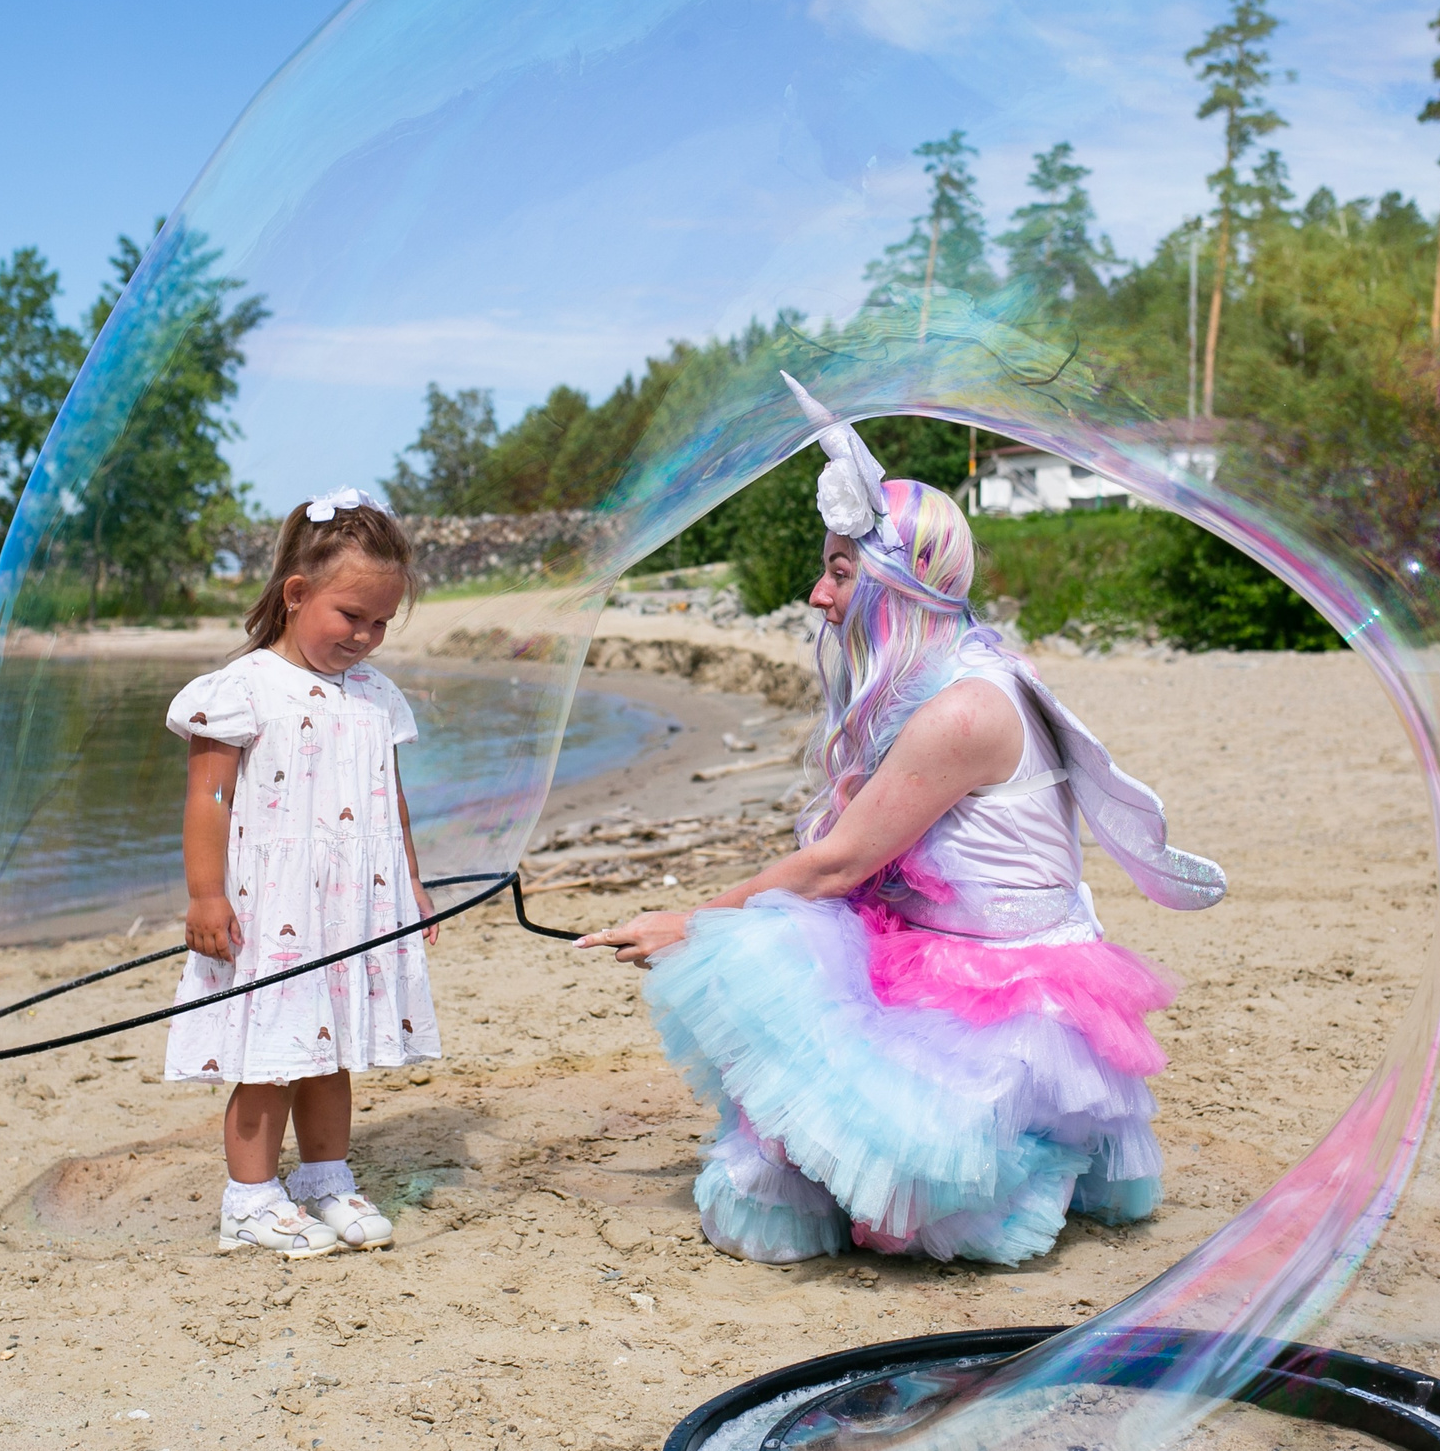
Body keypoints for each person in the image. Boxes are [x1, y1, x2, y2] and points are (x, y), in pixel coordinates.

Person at [581, 378, 1224, 1265]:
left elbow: (837, 866)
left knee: (893, 1209)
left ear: (897, 583)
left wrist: (691, 922)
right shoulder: (944, 677)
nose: (817, 594)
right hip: (932, 949)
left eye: (841, 571)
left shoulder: (964, 711)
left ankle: (1028, 1160)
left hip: (1006, 987)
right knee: (811, 1135)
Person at [165, 487, 439, 1258]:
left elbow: (394, 802)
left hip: (352, 905)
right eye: (352, 616)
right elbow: (208, 798)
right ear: (296, 594)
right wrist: (206, 894)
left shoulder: (378, 696)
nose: (368, 635)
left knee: (333, 1046)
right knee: (273, 1052)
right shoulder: (243, 689)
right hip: (273, 903)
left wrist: (411, 887)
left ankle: (324, 1178)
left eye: (382, 621)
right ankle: (249, 1200)